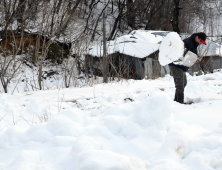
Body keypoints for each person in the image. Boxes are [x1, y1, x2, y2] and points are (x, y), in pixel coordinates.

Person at [169, 32, 207, 104]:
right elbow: (181, 55)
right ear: (197, 37)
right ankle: (179, 104)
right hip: (176, 64)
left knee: (183, 83)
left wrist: (194, 59)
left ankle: (175, 102)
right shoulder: (187, 43)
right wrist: (192, 58)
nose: (200, 43)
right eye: (200, 41)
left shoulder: (194, 44)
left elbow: (190, 55)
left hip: (182, 66)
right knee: (180, 85)